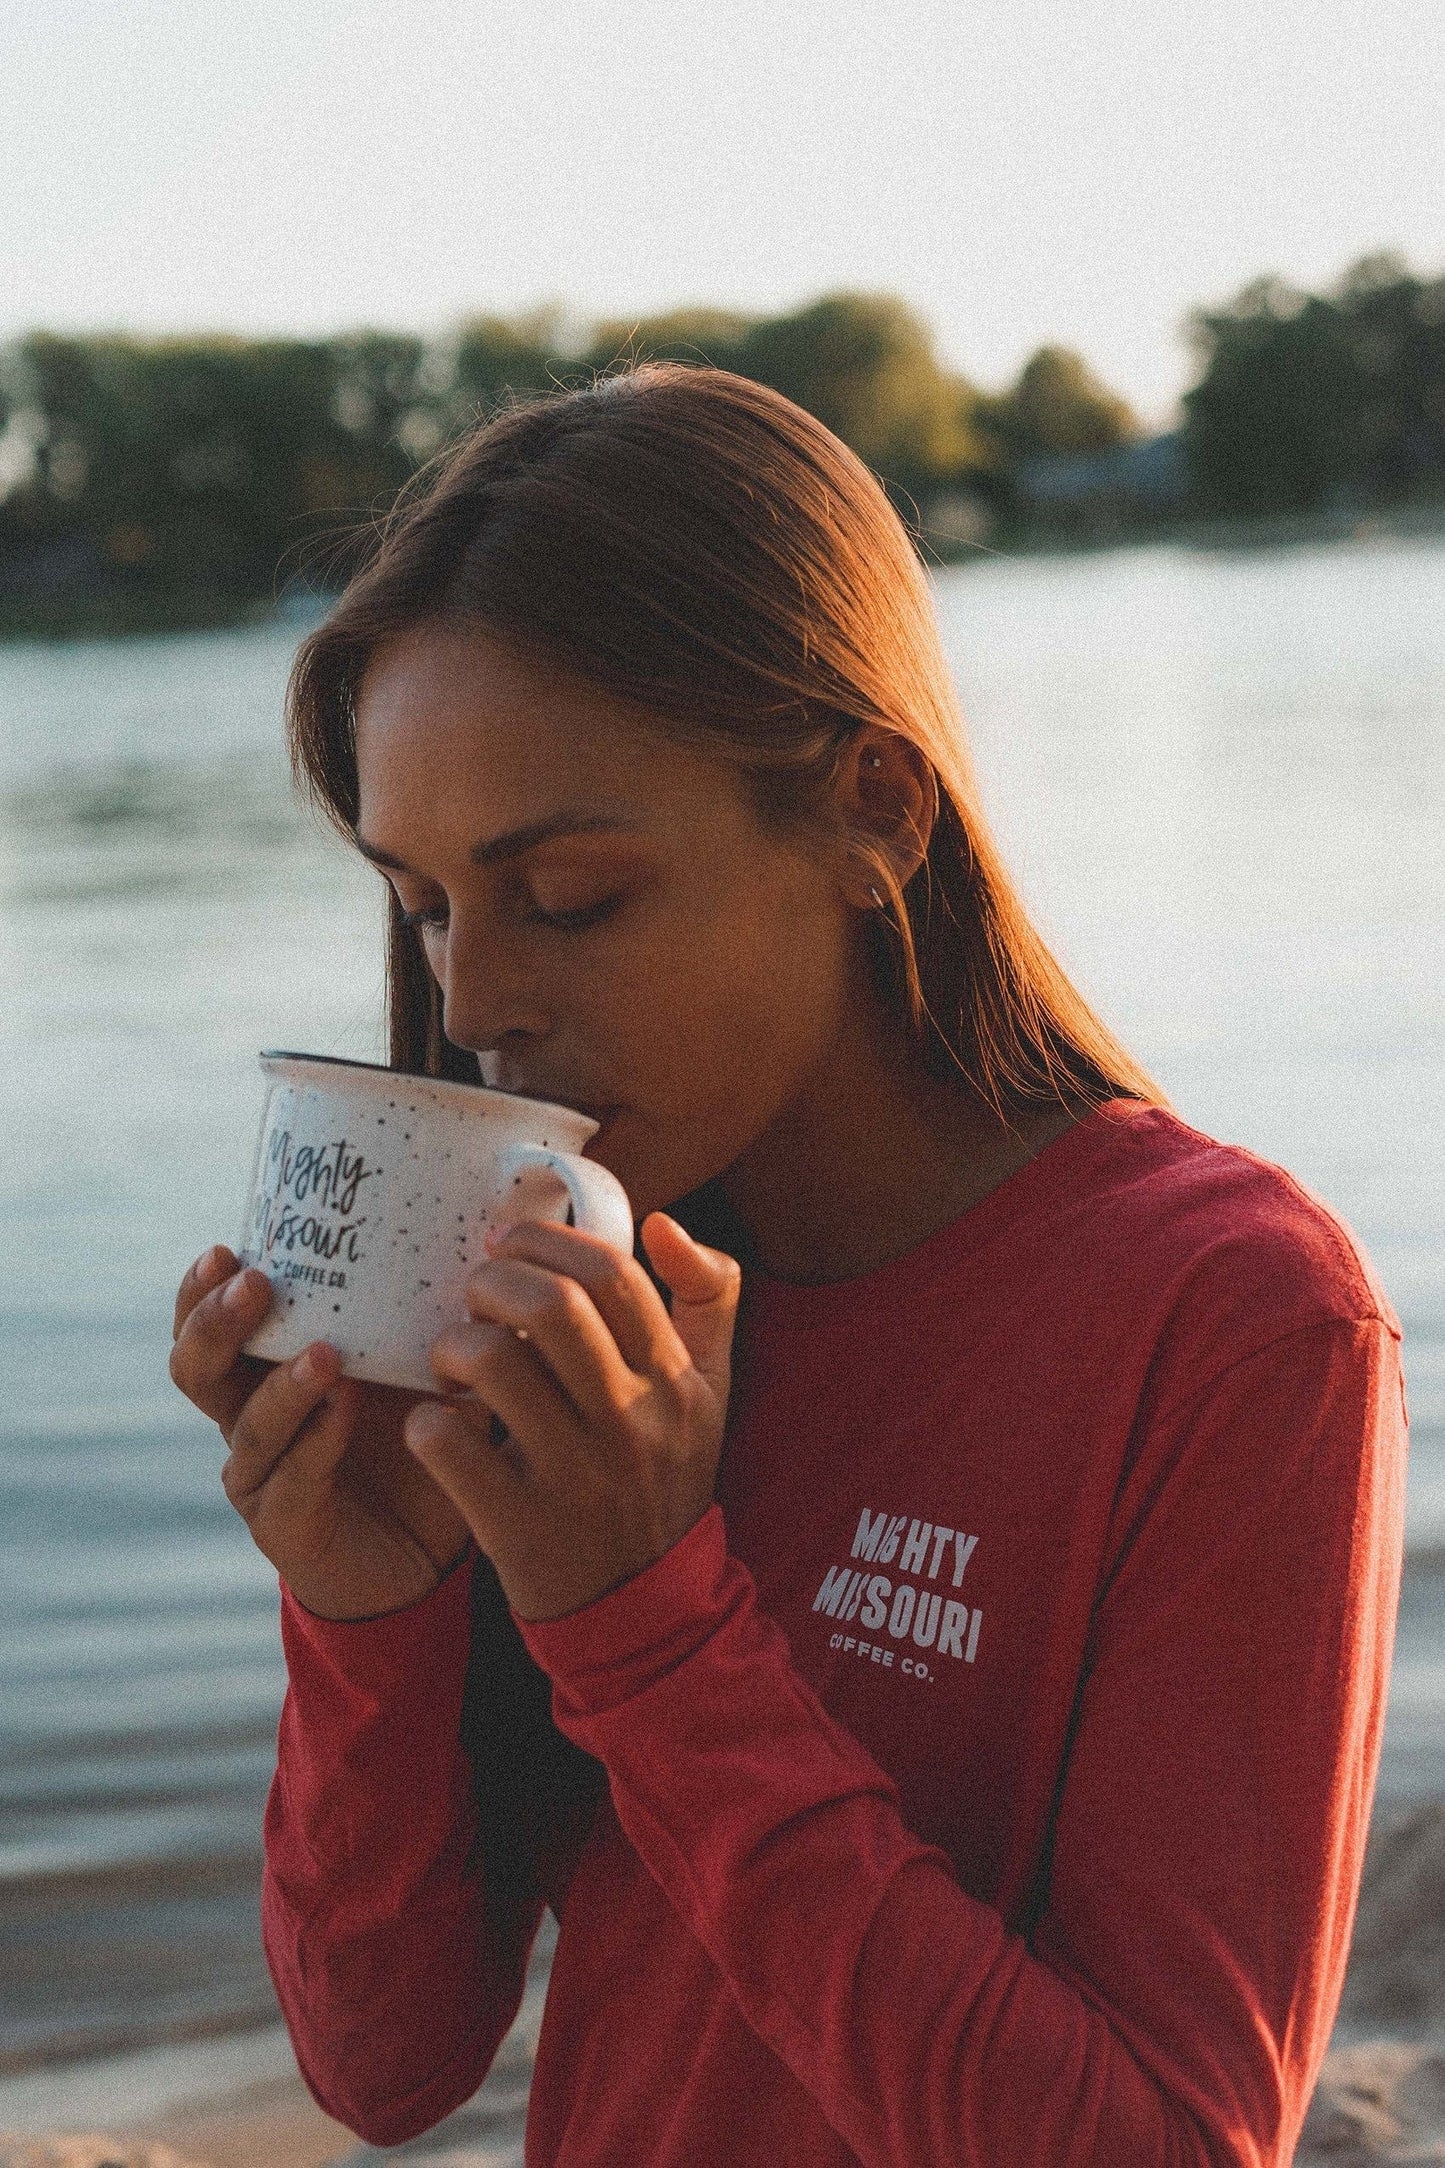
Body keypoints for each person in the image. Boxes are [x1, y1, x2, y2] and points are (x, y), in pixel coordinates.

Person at [169, 366, 1407, 2166]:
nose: (470, 1003)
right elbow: (384, 2068)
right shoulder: (575, 1329)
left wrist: (645, 1627)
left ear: (875, 808)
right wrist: (366, 1612)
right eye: (424, 902)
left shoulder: (1225, 1318)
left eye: (571, 894)